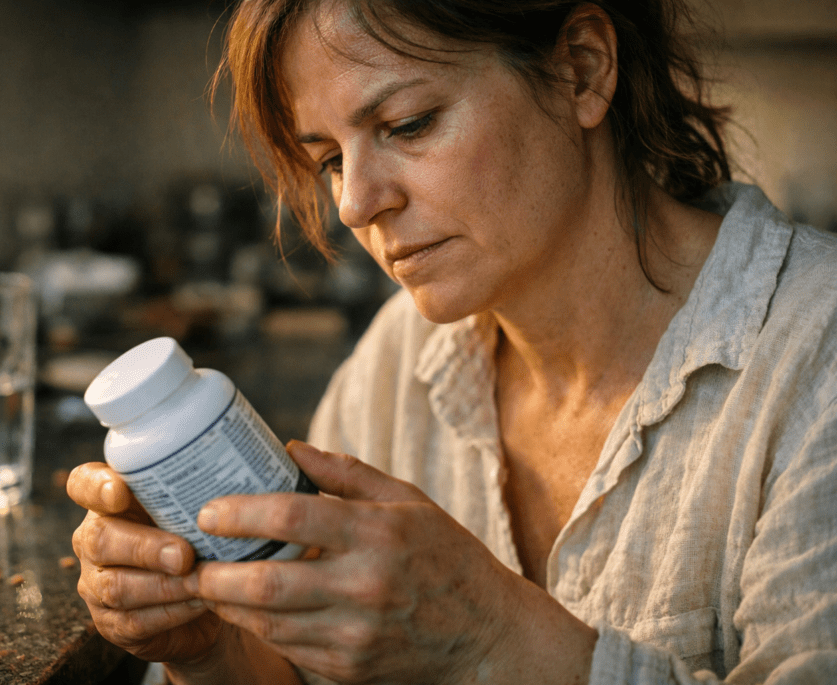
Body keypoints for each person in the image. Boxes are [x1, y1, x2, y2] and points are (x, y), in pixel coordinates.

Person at [67, 0, 837, 682]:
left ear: (581, 71)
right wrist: (215, 652)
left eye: (407, 124)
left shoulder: (814, 348)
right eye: (330, 160)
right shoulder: (398, 360)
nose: (357, 203)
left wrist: (489, 640)